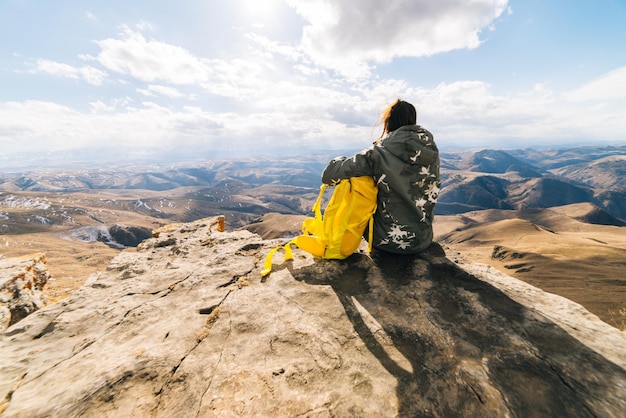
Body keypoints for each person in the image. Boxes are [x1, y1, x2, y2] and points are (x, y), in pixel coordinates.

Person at [322, 99, 440, 255]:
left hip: (385, 241)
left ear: (388, 122)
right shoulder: (431, 150)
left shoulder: (377, 154)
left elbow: (329, 175)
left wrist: (340, 159)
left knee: (361, 179)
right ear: (413, 120)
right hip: (422, 240)